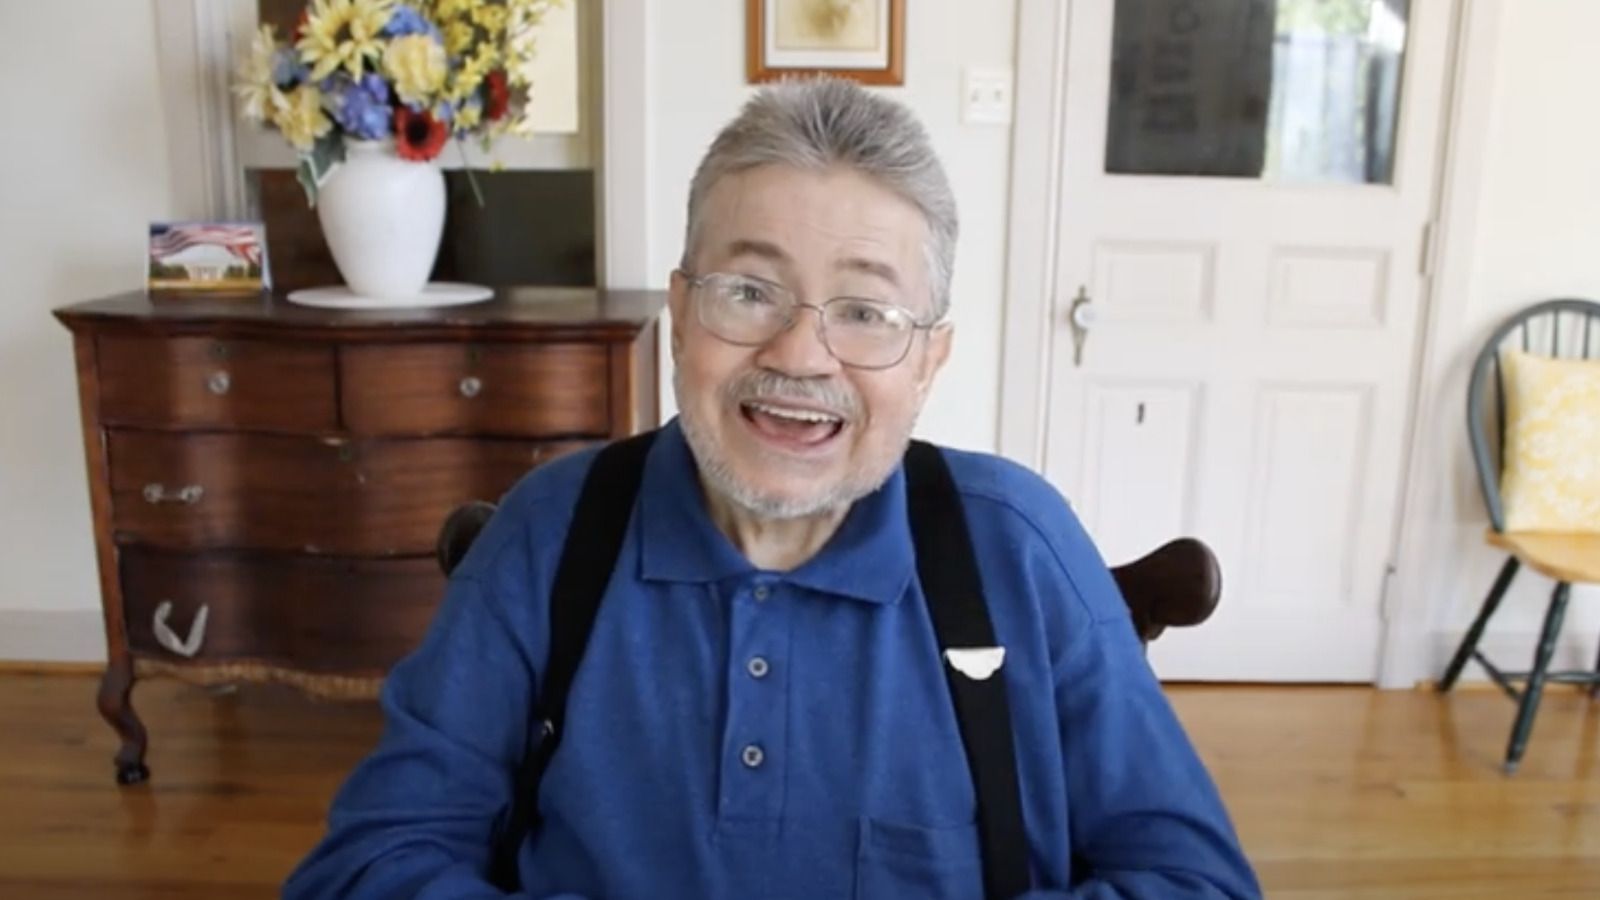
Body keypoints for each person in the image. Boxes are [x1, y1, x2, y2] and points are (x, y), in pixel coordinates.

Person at [284, 77, 1260, 899]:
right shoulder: (551, 533)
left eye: (866, 311)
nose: (800, 355)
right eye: (749, 292)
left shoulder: (1017, 546)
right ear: (679, 314)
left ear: (929, 360)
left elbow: (1197, 882)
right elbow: (368, 865)